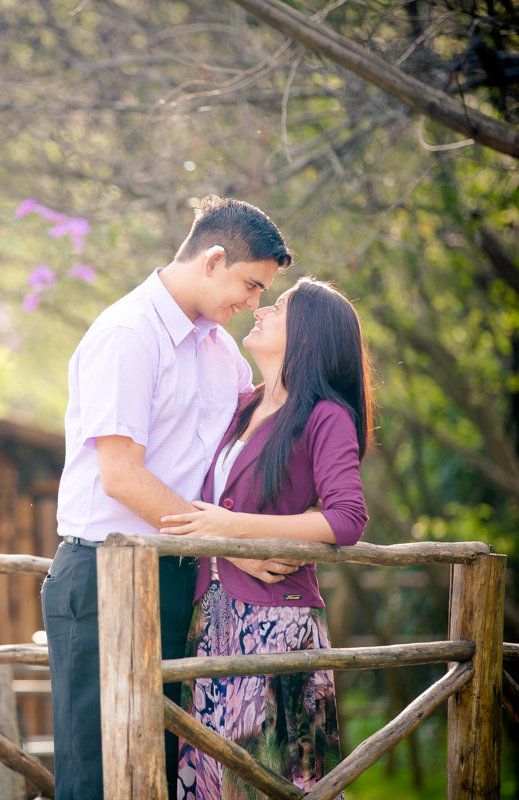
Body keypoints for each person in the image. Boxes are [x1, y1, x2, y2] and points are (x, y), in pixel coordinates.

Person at [42, 196, 294, 800]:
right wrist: (232, 548)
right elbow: (122, 477)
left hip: (180, 575)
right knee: (98, 777)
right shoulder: (128, 334)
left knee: (159, 773)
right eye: (251, 284)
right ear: (212, 260)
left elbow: (243, 453)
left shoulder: (222, 351)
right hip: (103, 576)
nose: (253, 303)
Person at [158, 278, 373, 799]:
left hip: (277, 622)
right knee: (211, 781)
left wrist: (236, 530)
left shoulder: (326, 415)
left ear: (306, 334)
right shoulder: (243, 407)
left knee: (273, 781)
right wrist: (230, 542)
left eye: (277, 307)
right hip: (211, 619)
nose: (260, 310)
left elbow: (347, 518)